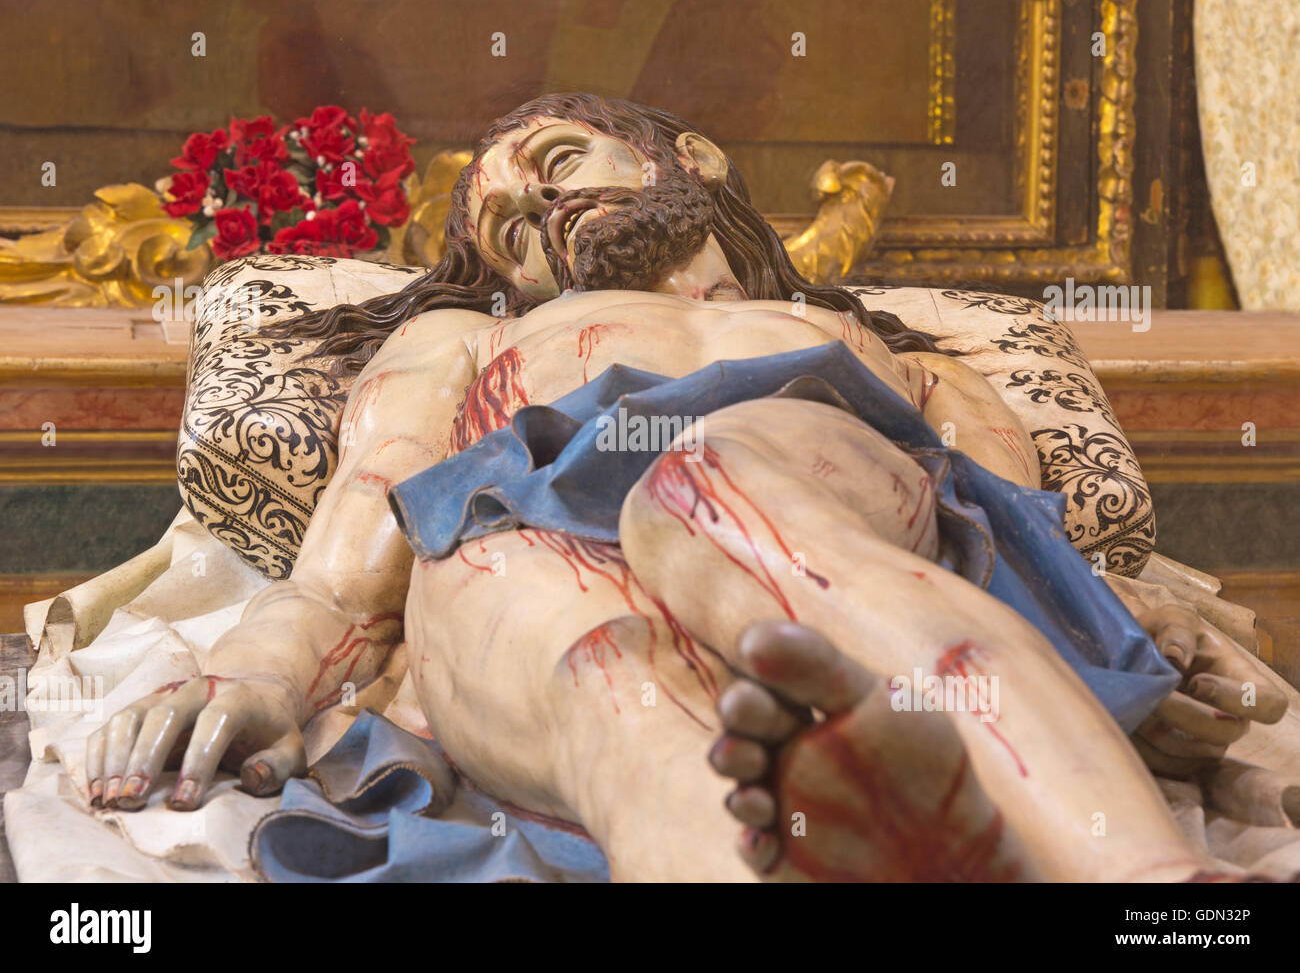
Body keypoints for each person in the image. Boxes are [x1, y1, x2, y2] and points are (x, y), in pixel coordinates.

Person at [86, 94, 1285, 882]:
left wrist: (1129, 623)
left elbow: (1016, 531)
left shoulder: (880, 351)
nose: (540, 209)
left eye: (557, 165)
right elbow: (368, 520)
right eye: (509, 228)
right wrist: (259, 665)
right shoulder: (463, 334)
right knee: (608, 686)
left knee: (706, 491)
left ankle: (1154, 892)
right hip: (510, 524)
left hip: (802, 490)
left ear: (689, 161)